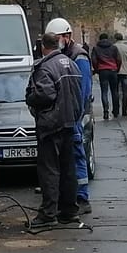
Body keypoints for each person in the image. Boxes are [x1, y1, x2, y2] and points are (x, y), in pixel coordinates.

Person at [24, 20, 84, 227]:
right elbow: (79, 93)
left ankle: (49, 213)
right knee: (69, 170)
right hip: (69, 122)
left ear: (43, 47)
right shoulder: (72, 64)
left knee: (49, 170)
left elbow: (44, 95)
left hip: (51, 125)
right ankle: (69, 210)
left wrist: (30, 98)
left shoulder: (45, 67)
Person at [72, 35, 95, 210]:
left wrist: (77, 115)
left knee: (79, 154)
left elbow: (84, 89)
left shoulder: (79, 56)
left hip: (78, 116)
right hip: (70, 115)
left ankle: (82, 196)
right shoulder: (68, 55)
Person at [92, 32, 123, 120]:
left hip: (103, 71)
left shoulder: (96, 48)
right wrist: (117, 68)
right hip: (113, 70)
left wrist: (97, 69)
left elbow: (94, 60)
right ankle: (116, 111)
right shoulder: (113, 48)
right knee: (114, 91)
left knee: (104, 92)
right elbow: (119, 59)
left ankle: (106, 111)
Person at [113, 35, 127, 119]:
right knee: (125, 92)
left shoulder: (113, 47)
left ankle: (116, 110)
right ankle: (124, 111)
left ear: (115, 39)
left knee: (116, 91)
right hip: (126, 72)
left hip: (116, 72)